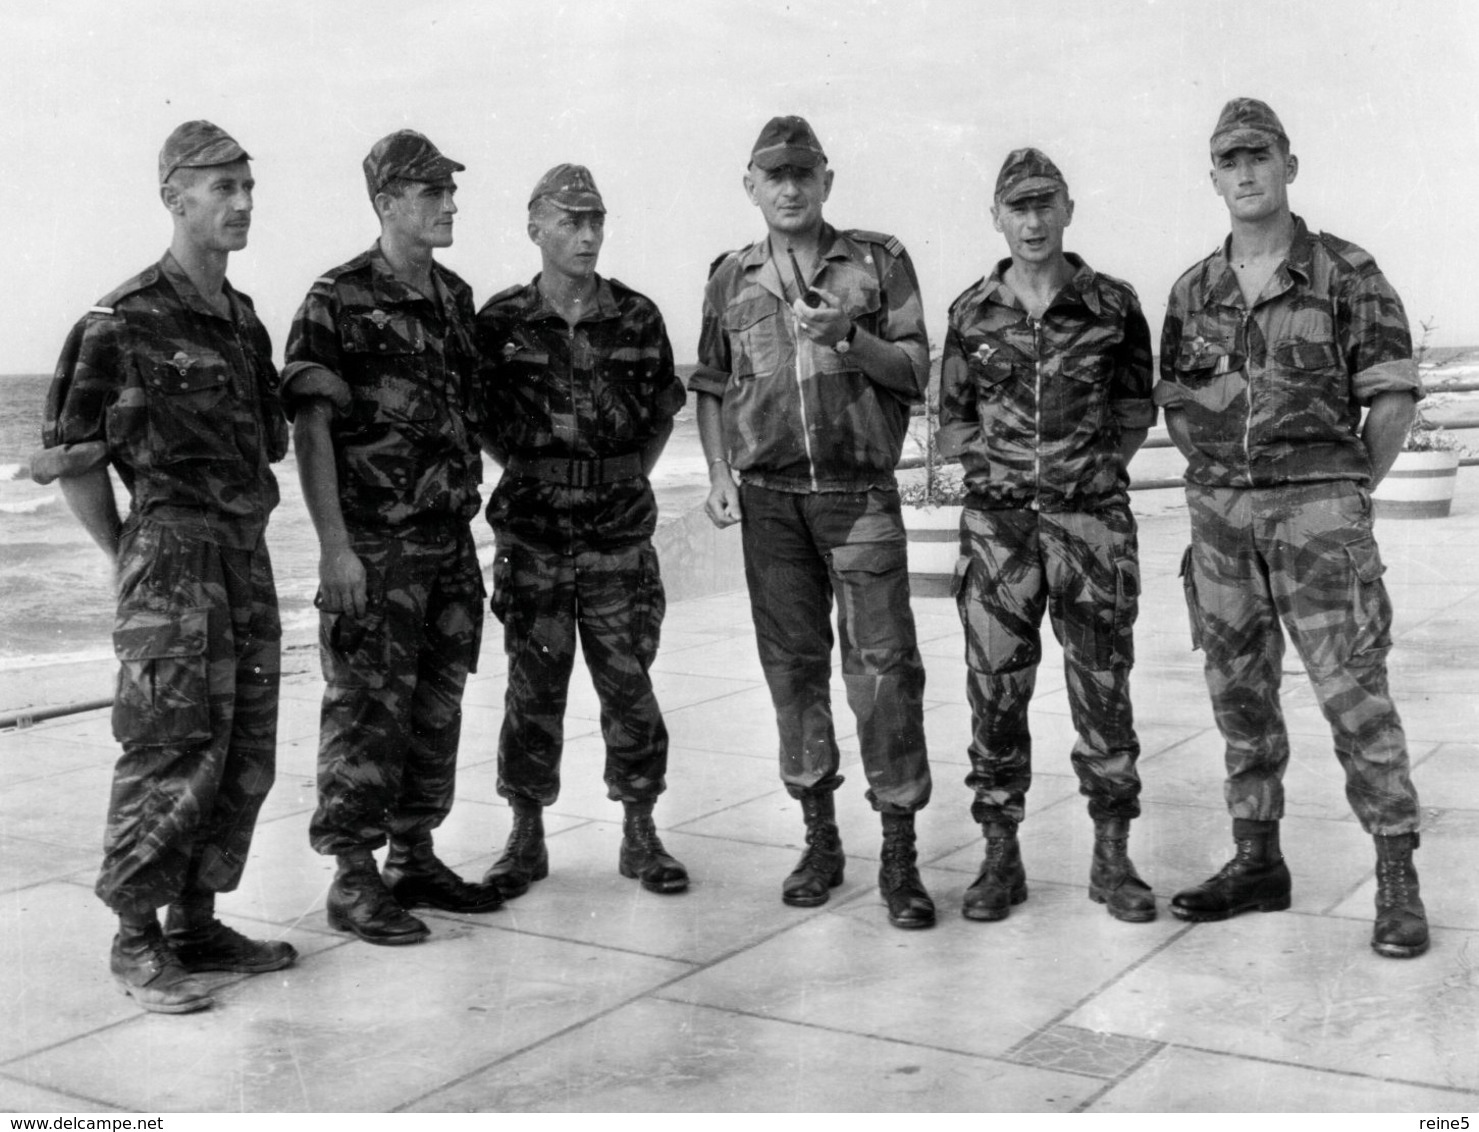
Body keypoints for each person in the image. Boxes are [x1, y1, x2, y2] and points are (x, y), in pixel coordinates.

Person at [30, 121, 297, 1013]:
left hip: (243, 555)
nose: (242, 202)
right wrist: (128, 556)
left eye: (247, 186)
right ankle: (135, 939)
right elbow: (73, 460)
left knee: (244, 748)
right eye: (221, 187)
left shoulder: (244, 318)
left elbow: (268, 440)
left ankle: (198, 920)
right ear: (174, 196)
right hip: (171, 554)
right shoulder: (118, 321)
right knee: (168, 748)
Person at [1157, 98, 1429, 958]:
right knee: (1238, 699)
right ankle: (1255, 861)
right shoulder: (1191, 290)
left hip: (1316, 515)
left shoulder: (1344, 273)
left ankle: (1394, 878)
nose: (1244, 172)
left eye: (1259, 156)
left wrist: (1341, 490)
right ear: (1212, 176)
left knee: (1353, 698)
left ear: (1287, 166)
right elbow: (1177, 407)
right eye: (1228, 160)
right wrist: (1222, 491)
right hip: (1219, 522)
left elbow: (1389, 399)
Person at [692, 116, 935, 929]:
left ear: (825, 180)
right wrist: (719, 476)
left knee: (884, 673)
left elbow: (913, 370)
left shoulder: (876, 262)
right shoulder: (730, 278)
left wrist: (850, 337)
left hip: (857, 494)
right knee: (792, 670)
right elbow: (713, 385)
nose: (789, 188)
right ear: (750, 186)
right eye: (774, 175)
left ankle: (897, 851)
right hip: (769, 505)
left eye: (803, 173)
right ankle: (820, 838)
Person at [283, 129, 500, 946]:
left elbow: (469, 417)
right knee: (365, 711)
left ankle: (414, 855)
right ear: (385, 202)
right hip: (374, 547)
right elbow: (312, 432)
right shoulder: (335, 299)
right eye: (431, 192)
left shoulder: (455, 298)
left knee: (437, 706)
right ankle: (350, 876)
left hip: (447, 544)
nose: (449, 204)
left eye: (450, 190)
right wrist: (335, 548)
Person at [937, 148, 1157, 924]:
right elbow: (952, 421)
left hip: (1090, 526)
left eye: (1044, 205)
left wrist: (1082, 477)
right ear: (996, 217)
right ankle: (1000, 858)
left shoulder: (1112, 305)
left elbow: (1134, 411)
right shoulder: (970, 313)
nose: (1032, 221)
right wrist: (1004, 478)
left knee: (1103, 689)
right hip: (997, 534)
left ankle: (1111, 858)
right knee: (994, 694)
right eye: (1017, 207)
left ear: (1068, 209)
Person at [475, 164, 689, 898]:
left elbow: (662, 411)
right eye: (570, 221)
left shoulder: (637, 316)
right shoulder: (500, 322)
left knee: (628, 683)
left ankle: (639, 830)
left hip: (617, 535)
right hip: (532, 535)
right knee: (532, 687)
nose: (587, 234)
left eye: (596, 220)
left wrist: (616, 475)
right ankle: (526, 834)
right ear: (534, 228)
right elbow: (484, 423)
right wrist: (545, 473)